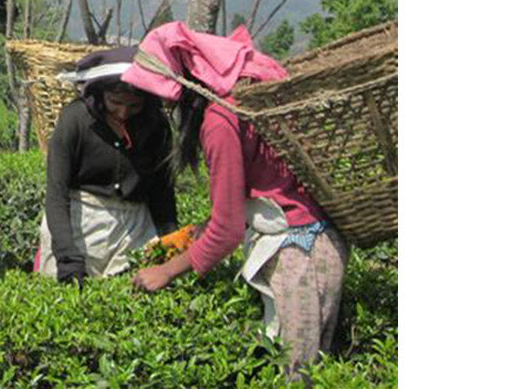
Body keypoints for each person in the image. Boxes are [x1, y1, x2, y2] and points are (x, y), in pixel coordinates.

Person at [82, 21, 348, 380]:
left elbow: (227, 231)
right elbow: (250, 200)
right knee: (306, 369)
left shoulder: (220, 121)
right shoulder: (247, 99)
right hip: (319, 248)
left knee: (295, 375)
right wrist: (192, 234)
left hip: (298, 258)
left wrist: (165, 272)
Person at [33, 47, 178, 285]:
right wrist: (67, 256)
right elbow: (56, 192)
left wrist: (171, 244)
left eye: (134, 106)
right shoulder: (76, 119)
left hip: (134, 227)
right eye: (115, 103)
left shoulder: (156, 126)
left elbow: (162, 192)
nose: (123, 112)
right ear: (100, 94)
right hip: (81, 220)